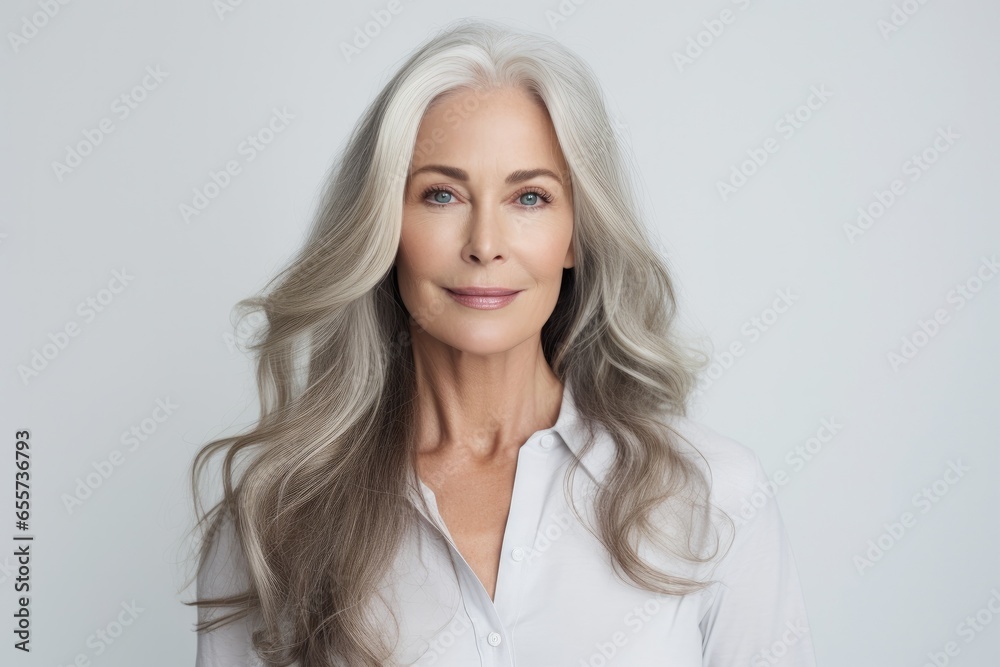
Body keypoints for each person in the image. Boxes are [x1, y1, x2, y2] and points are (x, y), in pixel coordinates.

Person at [185, 17, 817, 667]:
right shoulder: (275, 523)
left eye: (530, 197)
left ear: (576, 234)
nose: (485, 243)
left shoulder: (713, 493)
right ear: (384, 225)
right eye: (442, 194)